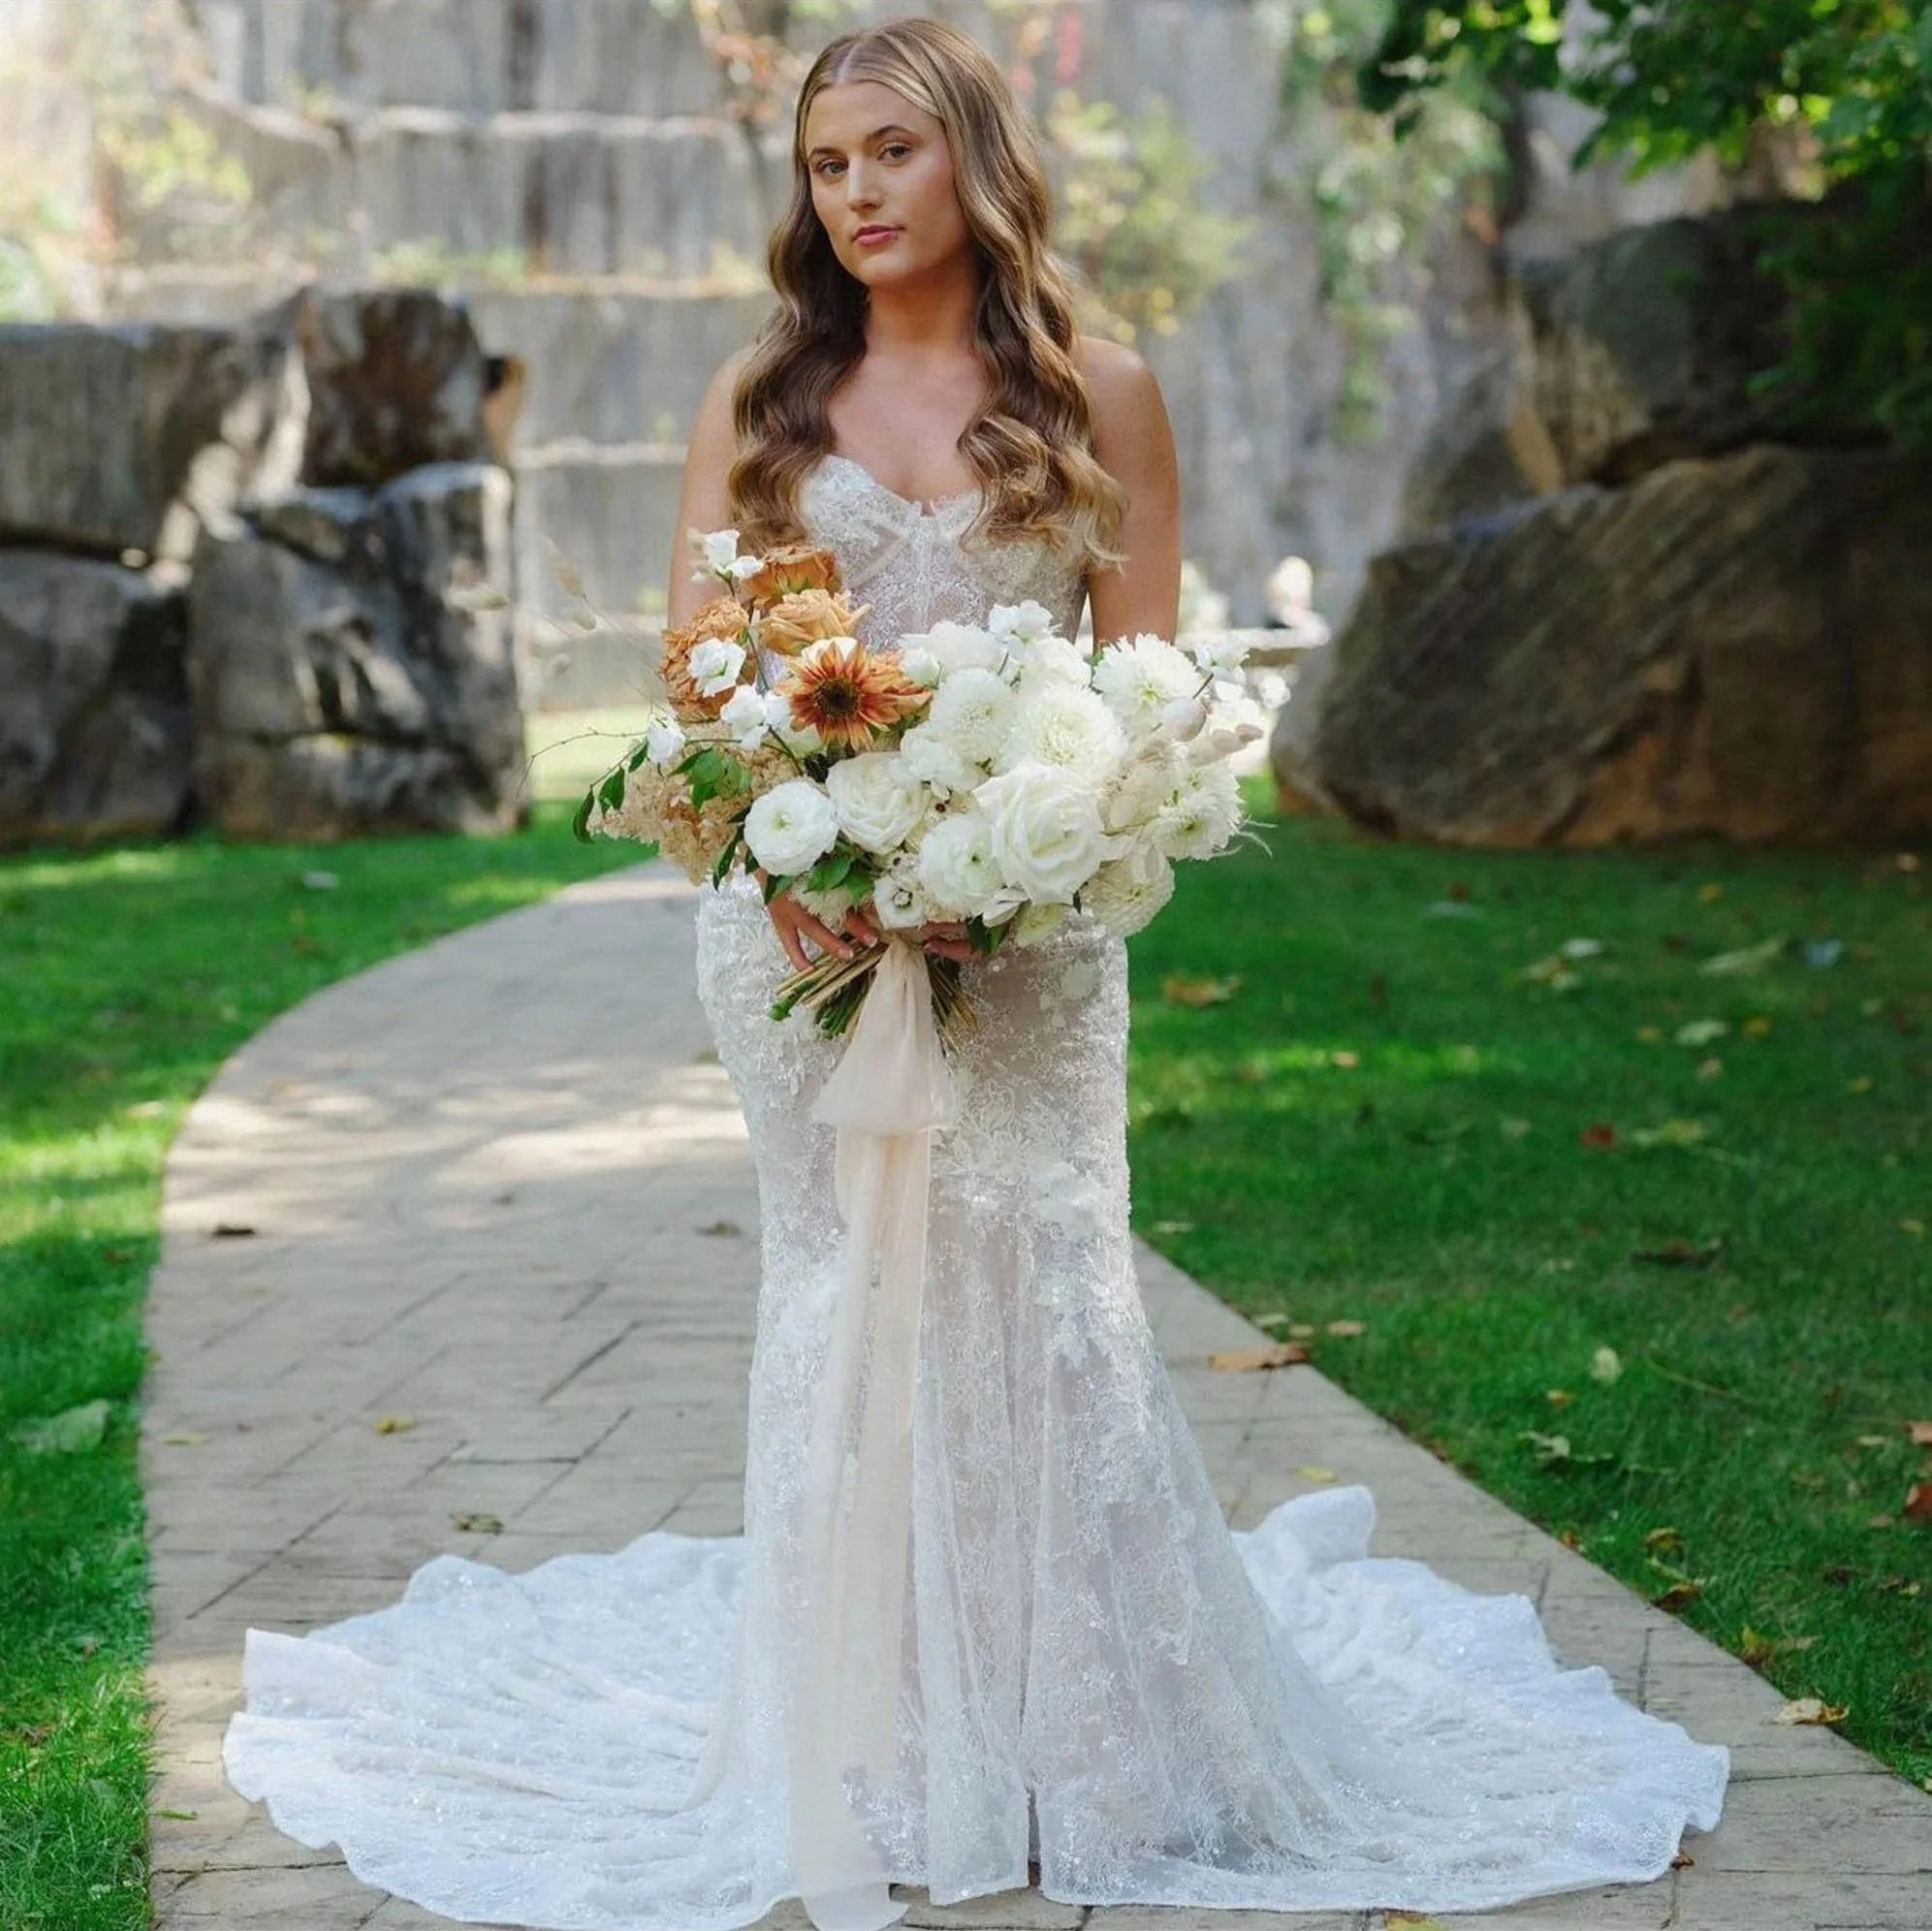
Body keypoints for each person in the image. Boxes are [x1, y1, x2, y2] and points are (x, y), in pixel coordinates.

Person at [221, 18, 1728, 1931]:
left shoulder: (1105, 389)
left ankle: (1093, 1753)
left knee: (1045, 1302)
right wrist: (793, 873)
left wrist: (1024, 869)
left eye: (888, 154)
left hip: (1031, 939)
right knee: (849, 1303)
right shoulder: (764, 398)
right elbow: (698, 692)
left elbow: (1151, 704)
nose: (853, 193)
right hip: (795, 941)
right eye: (825, 163)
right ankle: (863, 1754)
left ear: (974, 162)